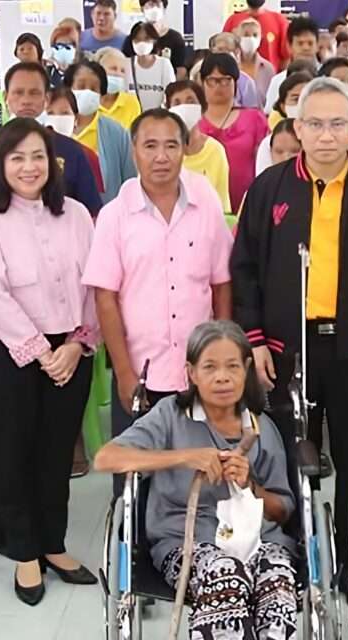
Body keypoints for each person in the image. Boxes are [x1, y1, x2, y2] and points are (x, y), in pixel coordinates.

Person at [231, 77, 348, 590]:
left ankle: (346, 556)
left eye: (338, 124)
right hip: (287, 349)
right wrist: (255, 339)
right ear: (297, 128)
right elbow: (244, 268)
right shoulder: (269, 188)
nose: (327, 135)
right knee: (291, 455)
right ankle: (293, 555)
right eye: (315, 124)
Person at [95, 320, 308, 640]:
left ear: (247, 370)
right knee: (222, 571)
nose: (222, 377)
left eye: (233, 366)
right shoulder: (169, 415)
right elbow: (106, 457)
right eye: (210, 367)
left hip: (257, 538)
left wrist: (251, 485)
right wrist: (184, 457)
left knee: (278, 578)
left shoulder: (262, 428)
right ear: (191, 372)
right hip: (185, 540)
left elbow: (284, 509)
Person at [0, 118, 98, 606]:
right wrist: (41, 351)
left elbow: (95, 284)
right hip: (7, 352)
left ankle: (52, 543)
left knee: (56, 451)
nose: (29, 166)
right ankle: (23, 550)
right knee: (11, 452)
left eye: (37, 156)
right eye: (16, 157)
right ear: (0, 165)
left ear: (52, 162)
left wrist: (77, 343)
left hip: (71, 349)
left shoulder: (77, 215)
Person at [84, 108, 232, 443]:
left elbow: (221, 283)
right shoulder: (115, 215)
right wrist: (123, 372)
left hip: (200, 371)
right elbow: (105, 299)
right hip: (141, 373)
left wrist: (221, 357)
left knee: (201, 466)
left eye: (171, 145)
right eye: (150, 146)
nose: (161, 157)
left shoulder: (205, 203)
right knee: (139, 470)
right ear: (134, 150)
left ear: (184, 149)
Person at [4, 62, 102, 216]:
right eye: (18, 92)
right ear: (6, 97)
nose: (26, 100)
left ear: (46, 98)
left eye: (34, 93)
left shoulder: (71, 150)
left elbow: (92, 212)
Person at [199, 53, 270, 214]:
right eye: (212, 80)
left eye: (225, 80)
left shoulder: (255, 119)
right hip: (203, 207)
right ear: (202, 82)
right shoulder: (192, 122)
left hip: (248, 205)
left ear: (236, 83)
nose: (218, 86)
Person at [62, 61, 138, 203]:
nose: (87, 92)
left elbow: (130, 180)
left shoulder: (117, 134)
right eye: (81, 86)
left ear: (101, 95)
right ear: (68, 89)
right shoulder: (54, 127)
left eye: (94, 89)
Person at [167, 80, 231, 212]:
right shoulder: (162, 152)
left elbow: (221, 202)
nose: (184, 107)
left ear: (202, 109)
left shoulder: (215, 151)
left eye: (190, 101)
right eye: (177, 103)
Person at [224, 0, 290, 72]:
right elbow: (223, 53)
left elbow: (286, 57)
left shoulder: (279, 21)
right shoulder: (232, 21)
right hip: (238, 75)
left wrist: (277, 77)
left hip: (270, 76)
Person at [123, 1, 187, 75]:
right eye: (150, 5)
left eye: (157, 4)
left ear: (164, 8)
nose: (154, 8)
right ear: (142, 9)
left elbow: (181, 70)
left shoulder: (175, 38)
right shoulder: (132, 39)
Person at [128, 21, 176, 111]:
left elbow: (171, 93)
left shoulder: (164, 64)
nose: (141, 43)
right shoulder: (126, 64)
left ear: (154, 40)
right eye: (137, 39)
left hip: (158, 115)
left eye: (146, 39)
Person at [208, 32, 262, 110]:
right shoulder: (204, 76)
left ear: (236, 52)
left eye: (226, 50)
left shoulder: (246, 82)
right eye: (218, 50)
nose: (221, 54)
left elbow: (251, 112)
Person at [95, 48, 142, 130]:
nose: (118, 74)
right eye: (113, 68)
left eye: (122, 71)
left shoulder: (131, 102)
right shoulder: (85, 100)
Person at [236, 17, 276, 108]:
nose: (250, 38)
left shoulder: (268, 68)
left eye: (255, 35)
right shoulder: (232, 65)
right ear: (238, 38)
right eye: (246, 35)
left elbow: (272, 98)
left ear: (260, 38)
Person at [47, 21, 82, 88]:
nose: (62, 50)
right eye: (58, 46)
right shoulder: (47, 71)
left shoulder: (82, 71)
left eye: (67, 47)